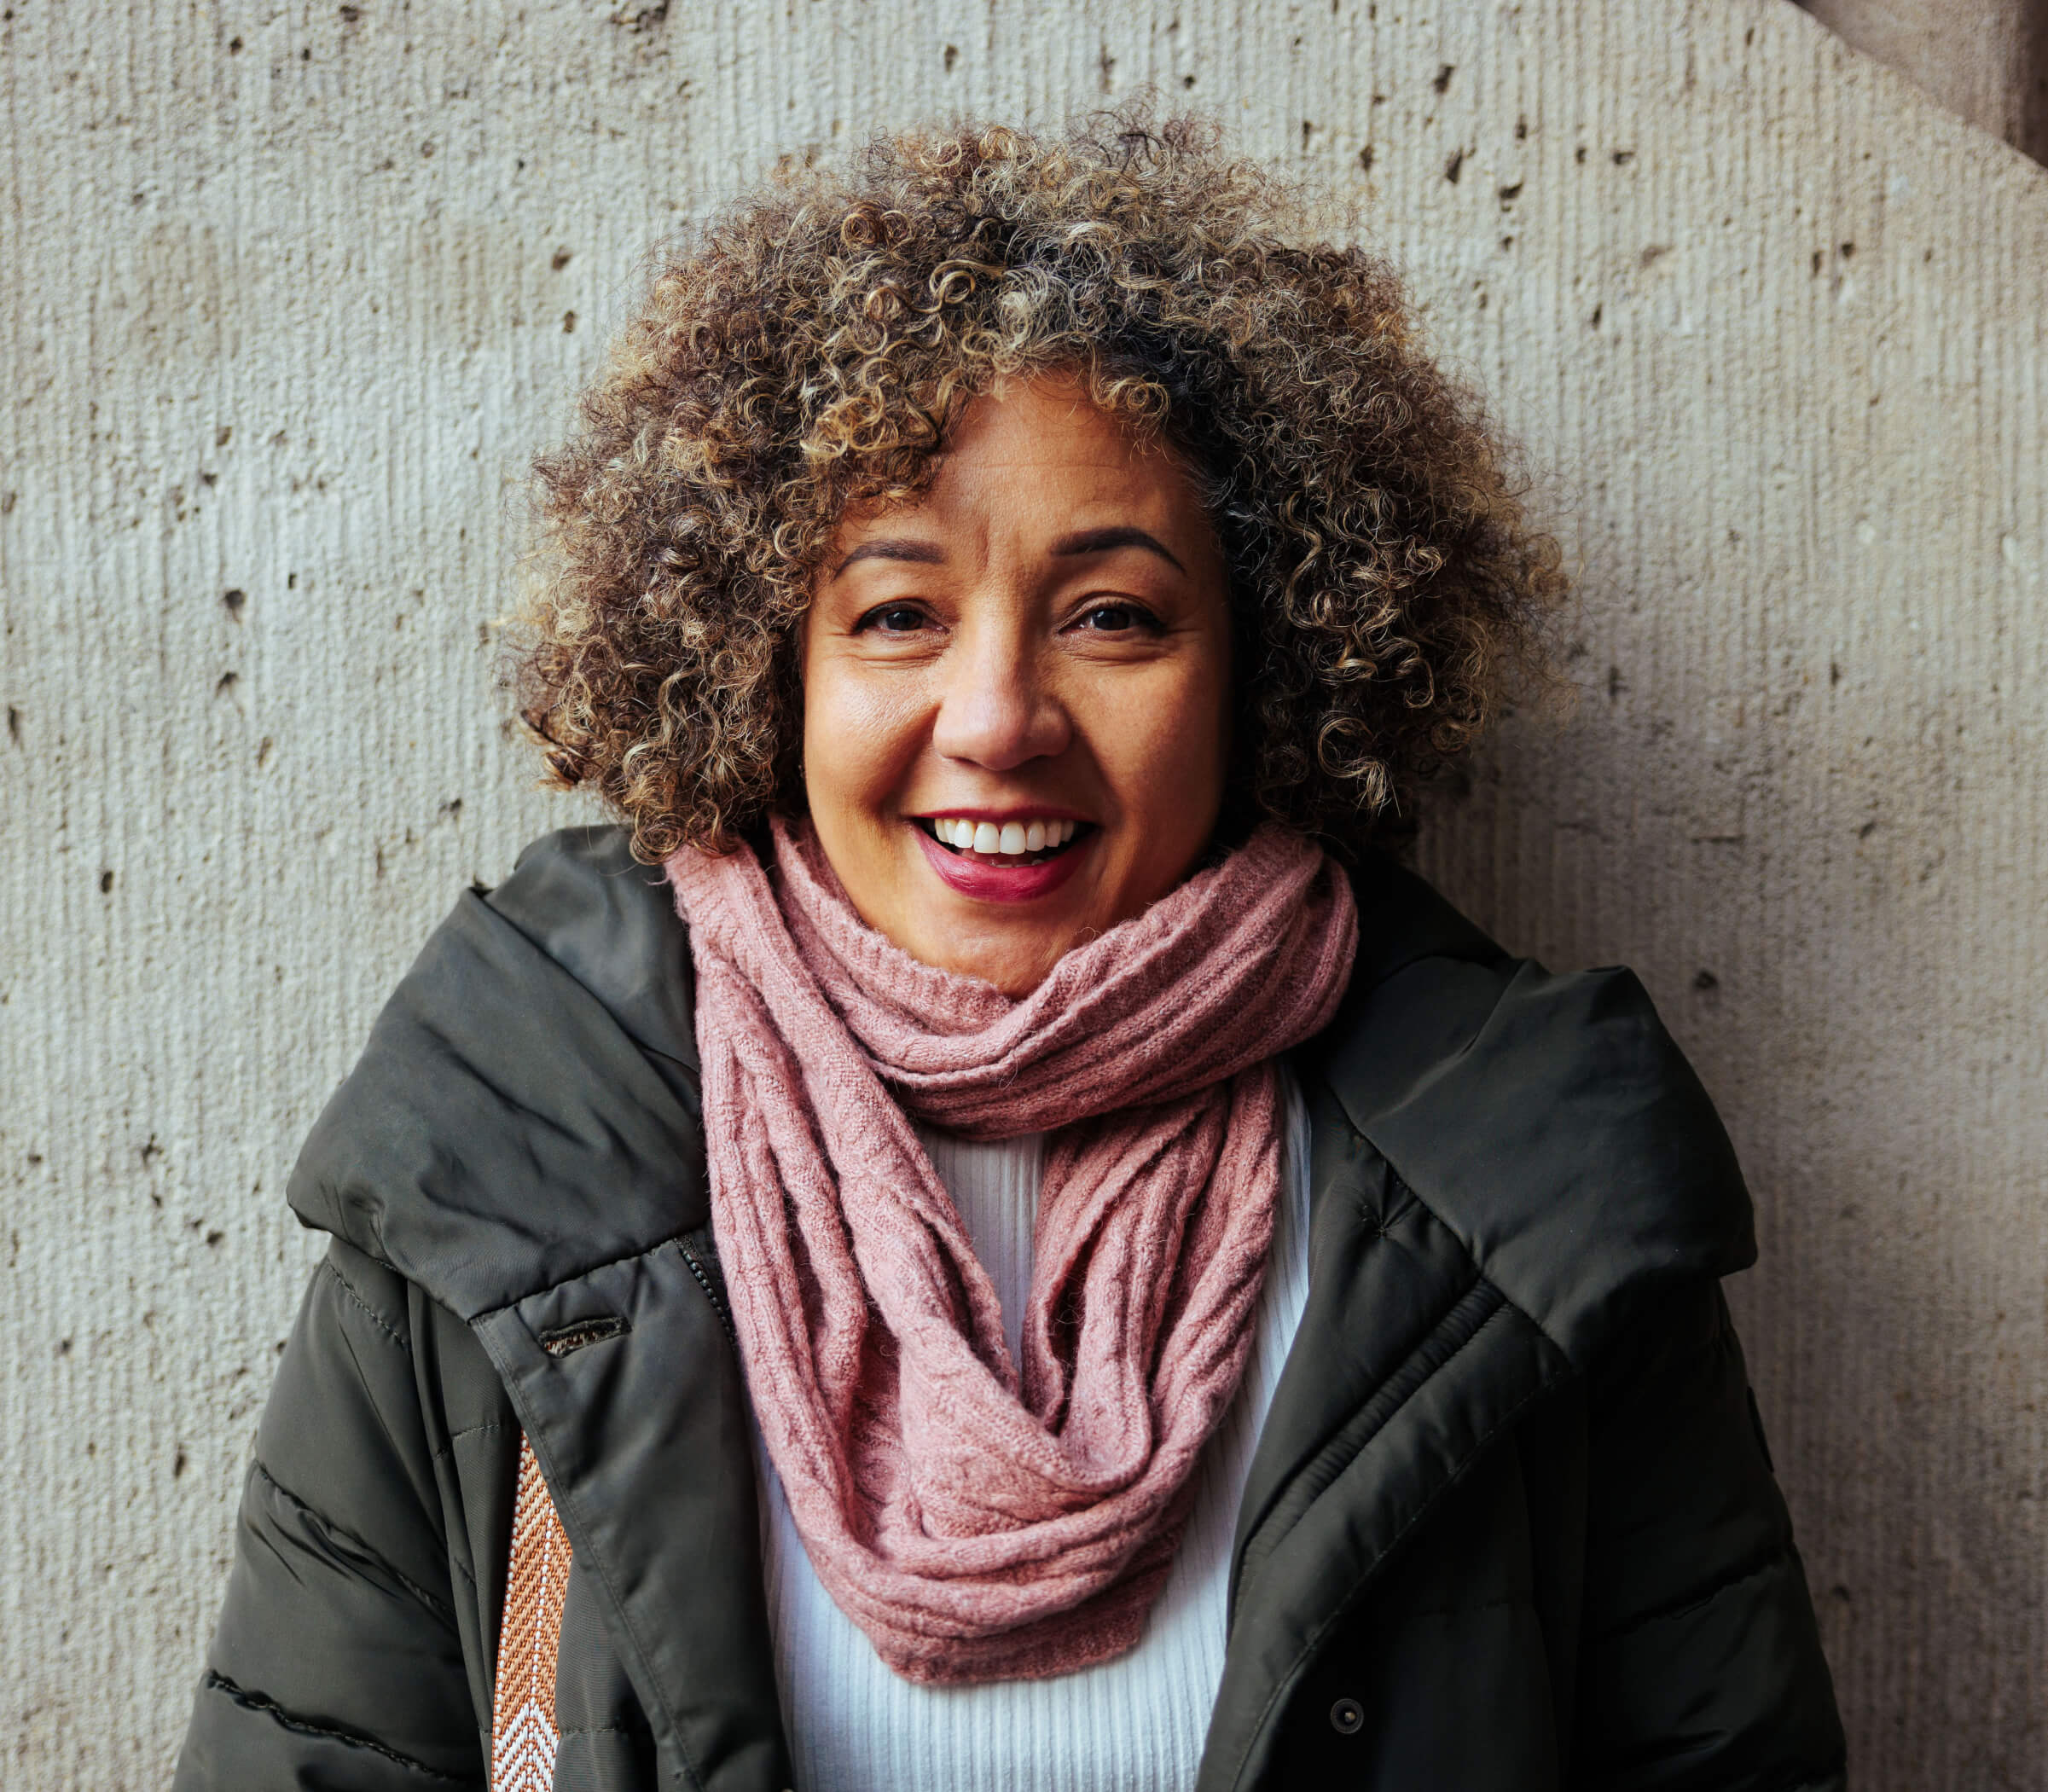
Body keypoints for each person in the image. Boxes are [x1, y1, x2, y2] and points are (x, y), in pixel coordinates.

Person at [173, 116, 1847, 1792]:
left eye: (1112, 615)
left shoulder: (1531, 1207)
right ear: (772, 669)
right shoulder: (498, 1162)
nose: (995, 720)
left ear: (1260, 672)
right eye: (896, 612)